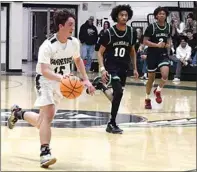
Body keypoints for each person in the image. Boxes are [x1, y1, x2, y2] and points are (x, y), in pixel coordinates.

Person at [7, 10, 95, 168]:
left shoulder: (74, 42)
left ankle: (18, 113)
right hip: (45, 81)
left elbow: (78, 60)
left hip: (61, 84)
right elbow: (45, 70)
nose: (72, 28)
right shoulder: (47, 46)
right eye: (70, 25)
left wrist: (86, 79)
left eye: (73, 25)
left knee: (43, 121)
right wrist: (63, 78)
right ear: (61, 26)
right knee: (47, 117)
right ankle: (45, 153)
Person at [88, 5, 138, 134]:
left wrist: (136, 68)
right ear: (116, 16)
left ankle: (102, 86)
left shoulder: (132, 32)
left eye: (126, 15)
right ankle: (112, 123)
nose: (124, 17)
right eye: (121, 15)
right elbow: (100, 52)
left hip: (124, 67)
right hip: (111, 66)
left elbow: (132, 51)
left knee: (116, 97)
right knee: (119, 93)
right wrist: (103, 69)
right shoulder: (109, 33)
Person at [143, 6, 172, 109]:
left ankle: (158, 90)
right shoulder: (151, 27)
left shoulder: (169, 26)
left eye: (163, 14)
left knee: (165, 75)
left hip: (162, 54)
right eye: (159, 13)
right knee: (151, 79)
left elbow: (168, 41)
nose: (161, 15)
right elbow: (145, 41)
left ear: (166, 15)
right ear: (156, 16)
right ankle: (147, 99)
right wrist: (156, 45)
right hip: (152, 54)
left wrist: (167, 45)